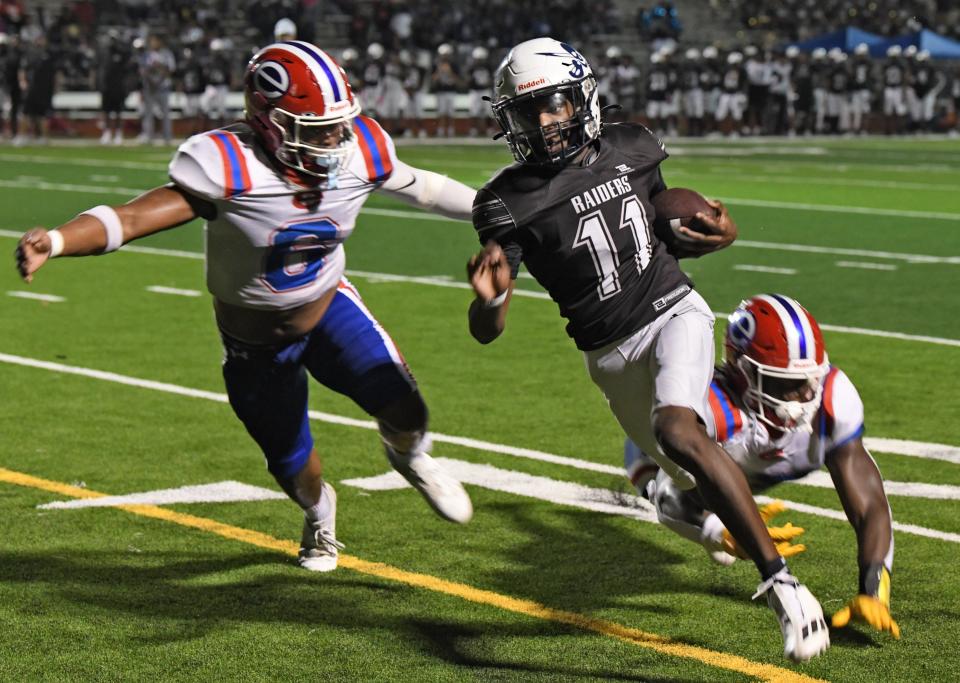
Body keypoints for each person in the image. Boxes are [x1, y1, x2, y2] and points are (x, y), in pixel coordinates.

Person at [15, 40, 474, 573]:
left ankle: (408, 455)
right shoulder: (227, 163)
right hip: (254, 345)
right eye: (314, 127)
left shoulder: (360, 147)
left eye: (338, 123)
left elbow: (425, 188)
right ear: (268, 121)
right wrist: (58, 239)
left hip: (328, 307)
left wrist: (497, 212)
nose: (332, 138)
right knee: (294, 467)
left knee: (407, 410)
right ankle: (320, 513)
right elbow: (133, 218)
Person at [466, 37, 828, 662]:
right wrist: (492, 300)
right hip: (608, 353)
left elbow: (664, 226)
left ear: (582, 99)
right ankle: (696, 507)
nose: (546, 124)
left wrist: (724, 231)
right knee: (682, 479)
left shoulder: (634, 144)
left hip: (673, 311)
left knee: (680, 429)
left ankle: (785, 586)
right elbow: (484, 331)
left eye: (554, 106)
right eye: (529, 114)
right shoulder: (505, 200)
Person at [624, 294, 899, 639]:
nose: (801, 397)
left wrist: (873, 586)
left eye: (807, 381)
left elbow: (871, 503)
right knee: (661, 484)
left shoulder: (831, 399)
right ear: (742, 372)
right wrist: (720, 531)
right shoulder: (710, 409)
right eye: (783, 384)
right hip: (659, 461)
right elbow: (669, 498)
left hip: (743, 467)